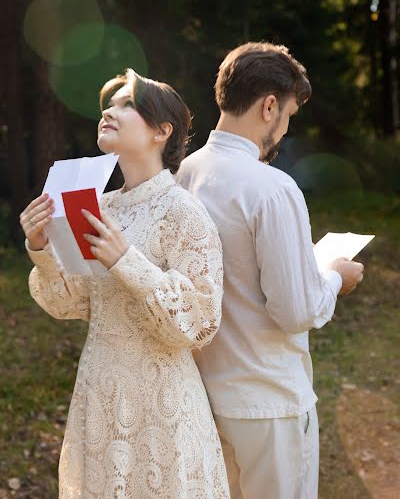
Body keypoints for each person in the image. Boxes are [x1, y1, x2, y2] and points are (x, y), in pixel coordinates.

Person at [20, 69, 230, 499]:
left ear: (161, 131)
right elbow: (71, 303)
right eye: (107, 106)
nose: (109, 113)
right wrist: (40, 248)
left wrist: (126, 261)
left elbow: (201, 323)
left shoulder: (184, 213)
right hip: (99, 394)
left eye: (126, 104)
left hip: (163, 406)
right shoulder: (94, 205)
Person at [176, 42, 364, 499]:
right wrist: (336, 277)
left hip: (203, 391)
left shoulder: (185, 172)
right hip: (268, 398)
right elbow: (296, 310)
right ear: (269, 106)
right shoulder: (272, 188)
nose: (283, 130)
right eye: (289, 116)